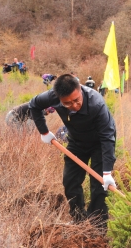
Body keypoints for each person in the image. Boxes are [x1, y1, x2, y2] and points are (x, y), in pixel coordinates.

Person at [29, 74, 117, 227]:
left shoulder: (96, 104)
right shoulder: (52, 97)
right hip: (77, 141)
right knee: (70, 181)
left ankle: (98, 227)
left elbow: (108, 138)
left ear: (80, 90)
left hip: (99, 144)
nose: (74, 105)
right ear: (58, 98)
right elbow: (33, 105)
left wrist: (107, 172)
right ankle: (78, 220)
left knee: (99, 187)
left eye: (77, 100)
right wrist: (44, 132)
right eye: (67, 103)